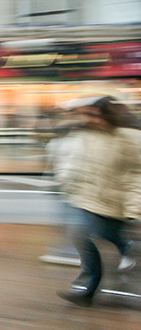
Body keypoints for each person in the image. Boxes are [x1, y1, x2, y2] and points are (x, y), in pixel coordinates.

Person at [55, 97, 141, 305]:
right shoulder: (88, 135)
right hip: (86, 199)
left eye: (93, 115)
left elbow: (136, 175)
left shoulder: (130, 138)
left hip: (114, 202)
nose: (88, 120)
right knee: (83, 239)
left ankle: (128, 249)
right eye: (86, 115)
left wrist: (134, 209)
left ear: (108, 115)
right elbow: (78, 163)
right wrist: (67, 182)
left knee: (103, 234)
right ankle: (89, 290)